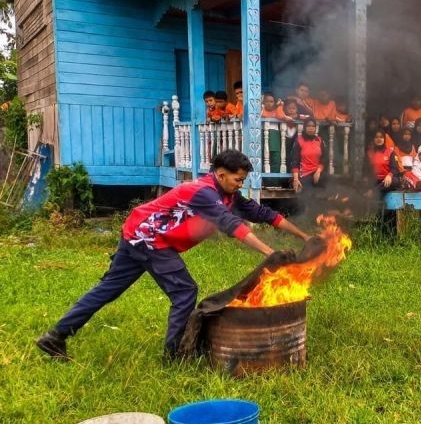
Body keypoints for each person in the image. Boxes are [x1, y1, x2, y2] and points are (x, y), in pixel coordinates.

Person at [36, 150, 311, 362]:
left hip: (136, 233)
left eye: (243, 180)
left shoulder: (228, 195)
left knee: (108, 289)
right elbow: (232, 226)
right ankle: (175, 354)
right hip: (149, 238)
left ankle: (55, 336)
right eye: (238, 179)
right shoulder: (203, 193)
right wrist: (269, 253)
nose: (240, 184)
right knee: (184, 291)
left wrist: (306, 238)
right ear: (220, 174)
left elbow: (266, 215)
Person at [290, 118, 327, 192]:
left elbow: (324, 158)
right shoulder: (299, 140)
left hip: (317, 173)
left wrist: (318, 171)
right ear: (304, 127)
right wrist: (295, 179)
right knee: (307, 194)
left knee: (328, 186)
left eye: (313, 126)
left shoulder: (319, 140)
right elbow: (295, 161)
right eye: (308, 126)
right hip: (304, 174)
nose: (311, 128)